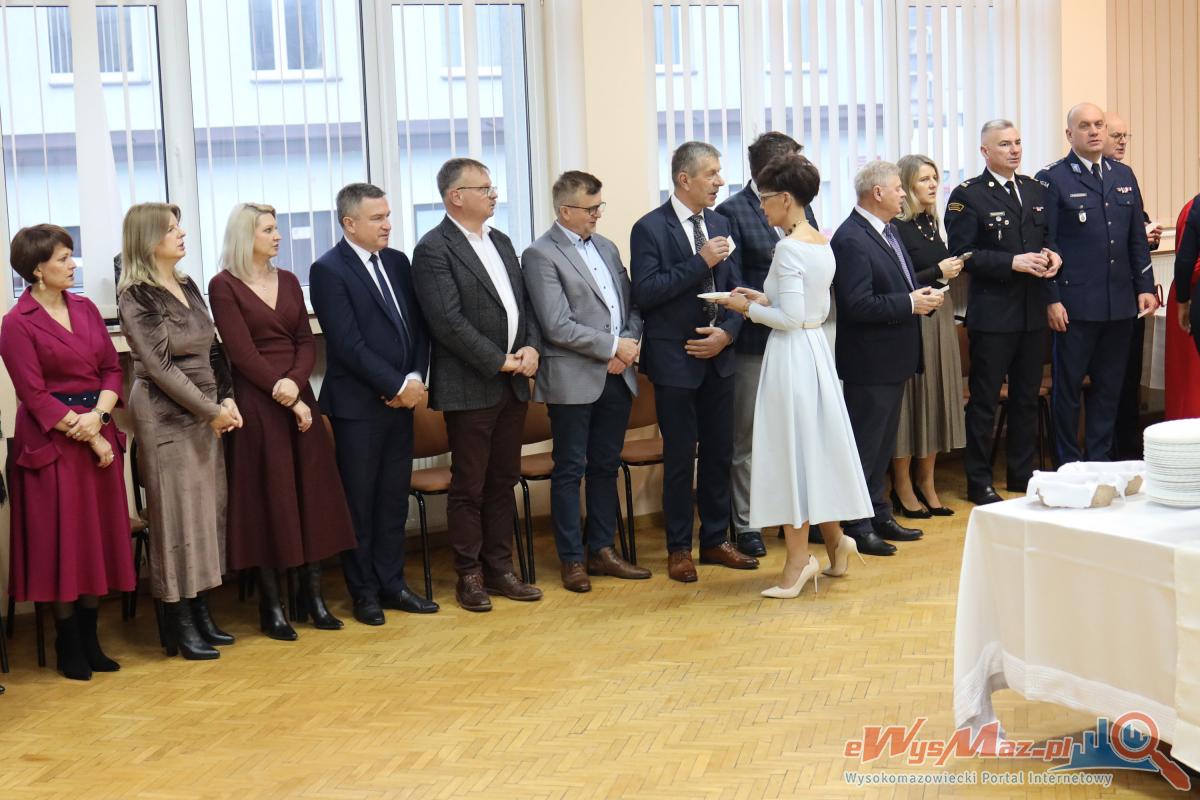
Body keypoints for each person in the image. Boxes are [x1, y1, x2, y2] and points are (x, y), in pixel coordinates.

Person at [713, 154, 871, 596]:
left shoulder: (786, 247)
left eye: (765, 198)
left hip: (792, 355)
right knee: (812, 450)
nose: (760, 206)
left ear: (785, 198)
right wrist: (759, 296)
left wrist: (744, 308)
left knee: (791, 454)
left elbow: (789, 317)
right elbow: (800, 302)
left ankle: (799, 561)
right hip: (814, 350)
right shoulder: (819, 240)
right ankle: (836, 542)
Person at [209, 203, 358, 639]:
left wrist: (295, 385)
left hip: (298, 394)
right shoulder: (223, 285)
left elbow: (305, 341)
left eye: (276, 229)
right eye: (269, 230)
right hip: (258, 404)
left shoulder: (290, 280)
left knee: (312, 496)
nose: (278, 236)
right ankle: (271, 606)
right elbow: (240, 352)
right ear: (245, 236)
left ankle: (312, 598)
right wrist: (283, 392)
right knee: (268, 499)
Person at [0, 224, 135, 680]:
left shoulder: (86, 308)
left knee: (95, 539)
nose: (72, 264)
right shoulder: (17, 323)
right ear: (37, 269)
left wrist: (100, 416)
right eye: (62, 258)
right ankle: (68, 643)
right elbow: (33, 394)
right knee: (63, 543)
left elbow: (111, 369)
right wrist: (90, 433)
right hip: (52, 445)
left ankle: (92, 639)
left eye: (70, 255)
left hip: (95, 427)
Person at [411, 158, 543, 612]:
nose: (493, 194)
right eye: (484, 188)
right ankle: (469, 575)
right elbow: (447, 322)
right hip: (470, 385)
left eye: (492, 187)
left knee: (503, 480)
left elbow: (523, 305)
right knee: (470, 484)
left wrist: (530, 347)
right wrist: (499, 361)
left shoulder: (500, 240)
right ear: (456, 196)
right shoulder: (434, 249)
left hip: (513, 381)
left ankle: (501, 568)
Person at [629, 140, 758, 582]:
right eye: (711, 174)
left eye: (720, 172)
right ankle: (679, 548)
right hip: (676, 361)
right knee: (681, 457)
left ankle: (716, 539)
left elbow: (737, 291)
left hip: (720, 356)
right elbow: (647, 292)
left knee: (721, 452)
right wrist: (699, 261)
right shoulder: (650, 228)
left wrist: (727, 334)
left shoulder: (721, 222)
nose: (720, 181)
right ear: (684, 179)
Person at [118, 203, 242, 660]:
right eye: (171, 229)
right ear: (149, 240)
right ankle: (178, 621)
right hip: (165, 413)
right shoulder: (137, 295)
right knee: (176, 517)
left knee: (206, 513)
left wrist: (226, 398)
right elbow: (158, 367)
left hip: (206, 411)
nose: (182, 233)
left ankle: (202, 610)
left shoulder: (187, 284)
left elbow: (213, 348)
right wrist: (210, 410)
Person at [309, 183, 437, 625]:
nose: (387, 225)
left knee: (392, 500)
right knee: (360, 503)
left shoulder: (398, 262)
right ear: (349, 223)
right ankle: (363, 592)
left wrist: (414, 378)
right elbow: (347, 344)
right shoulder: (328, 270)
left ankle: (393, 583)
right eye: (377, 218)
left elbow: (418, 329)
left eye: (388, 216)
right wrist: (395, 384)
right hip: (358, 407)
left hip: (402, 402)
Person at [522, 171, 651, 592]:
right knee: (569, 468)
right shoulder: (540, 254)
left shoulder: (607, 247)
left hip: (618, 373)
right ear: (565, 210)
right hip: (572, 378)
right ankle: (572, 559)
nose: (597, 215)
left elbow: (632, 306)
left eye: (599, 207)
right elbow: (557, 324)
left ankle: (602, 550)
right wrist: (612, 346)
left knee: (605, 466)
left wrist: (626, 346)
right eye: (590, 208)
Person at [714, 131, 819, 558]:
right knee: (748, 439)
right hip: (754, 343)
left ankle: (797, 516)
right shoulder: (732, 211)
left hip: (796, 342)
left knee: (794, 435)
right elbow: (734, 279)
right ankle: (747, 522)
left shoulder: (800, 206)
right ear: (768, 169)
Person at [945, 119, 1060, 504]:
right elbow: (962, 255)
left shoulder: (1034, 189)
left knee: (1026, 399)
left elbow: (1049, 238)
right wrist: (1012, 262)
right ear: (985, 151)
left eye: (1018, 142)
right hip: (994, 316)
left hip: (1032, 312)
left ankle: (1021, 475)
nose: (1014, 150)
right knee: (985, 401)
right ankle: (978, 481)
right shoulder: (968, 196)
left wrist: (1054, 257)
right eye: (1005, 144)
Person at [831, 161, 942, 557]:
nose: (903, 194)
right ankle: (857, 525)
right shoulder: (851, 238)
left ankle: (879, 514)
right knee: (865, 447)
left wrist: (919, 297)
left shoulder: (889, 230)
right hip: (869, 361)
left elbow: (901, 286)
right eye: (897, 188)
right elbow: (857, 304)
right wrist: (910, 303)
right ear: (877, 193)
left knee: (881, 447)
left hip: (894, 357)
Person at [1036, 102, 1156, 465]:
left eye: (1099, 125)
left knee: (1109, 389)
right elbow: (1046, 244)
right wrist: (1051, 299)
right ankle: (1070, 464)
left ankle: (1101, 461)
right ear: (1069, 133)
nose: (1094, 131)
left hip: (1119, 303)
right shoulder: (1053, 178)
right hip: (1074, 306)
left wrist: (1144, 286)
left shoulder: (1123, 175)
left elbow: (1136, 238)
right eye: (1085, 125)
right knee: (1069, 389)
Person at [891, 155, 967, 517]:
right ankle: (902, 485)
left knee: (937, 396)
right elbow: (899, 279)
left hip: (941, 313)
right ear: (906, 186)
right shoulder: (896, 227)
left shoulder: (931, 222)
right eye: (924, 179)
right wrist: (938, 269)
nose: (933, 184)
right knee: (913, 401)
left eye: (935, 177)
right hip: (915, 317)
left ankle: (927, 482)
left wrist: (950, 268)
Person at [1104, 111, 1162, 459]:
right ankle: (1108, 451)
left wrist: (1148, 236)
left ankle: (1128, 449)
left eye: (1126, 136)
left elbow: (1137, 228)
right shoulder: (1068, 179)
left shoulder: (1125, 177)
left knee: (1130, 379)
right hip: (1099, 300)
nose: (1123, 141)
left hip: (1131, 296)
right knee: (1107, 381)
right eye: (1117, 135)